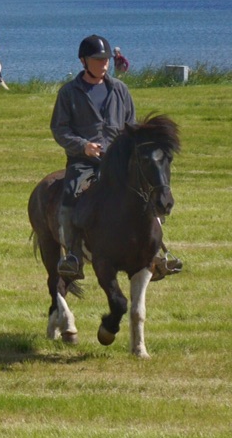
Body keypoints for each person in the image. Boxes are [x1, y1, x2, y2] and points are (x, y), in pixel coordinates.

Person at [51, 34, 181, 280]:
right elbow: (60, 129)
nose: (104, 64)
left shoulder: (120, 90)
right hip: (83, 162)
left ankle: (155, 253)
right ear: (83, 61)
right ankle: (73, 256)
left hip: (119, 162)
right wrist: (82, 146)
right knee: (70, 197)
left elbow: (131, 125)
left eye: (106, 60)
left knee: (147, 193)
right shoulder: (69, 93)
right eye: (98, 59)